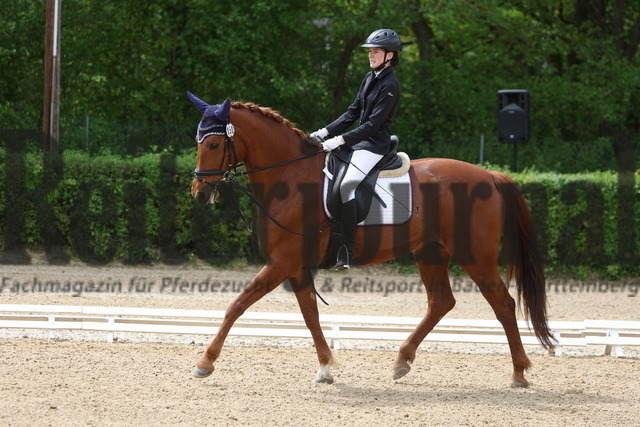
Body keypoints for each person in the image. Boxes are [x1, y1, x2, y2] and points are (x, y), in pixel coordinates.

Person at [310, 29, 402, 270]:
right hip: (359, 142)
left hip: (374, 145)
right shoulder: (370, 77)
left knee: (346, 186)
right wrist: (324, 131)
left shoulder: (390, 85)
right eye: (370, 51)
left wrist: (340, 140)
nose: (371, 55)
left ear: (390, 55)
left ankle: (346, 250)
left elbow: (372, 125)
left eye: (376, 51)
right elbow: (353, 112)